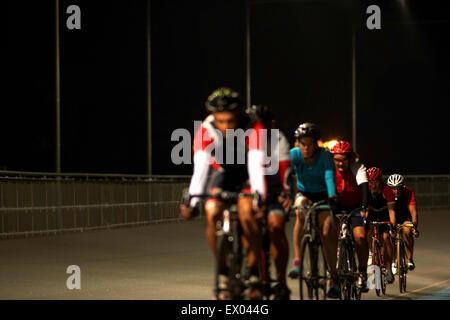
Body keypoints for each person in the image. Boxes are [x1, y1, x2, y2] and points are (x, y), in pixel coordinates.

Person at [180, 87, 267, 300]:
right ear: (213, 118)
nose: (226, 126)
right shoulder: (206, 129)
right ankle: (222, 269)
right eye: (221, 121)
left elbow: (256, 167)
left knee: (248, 213)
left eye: (230, 121)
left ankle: (255, 271)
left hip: (246, 173)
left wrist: (259, 198)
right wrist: (191, 201)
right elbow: (200, 171)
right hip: (222, 172)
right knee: (212, 211)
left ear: (238, 115)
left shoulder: (252, 127)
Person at [244, 105, 292, 299]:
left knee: (276, 227)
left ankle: (281, 282)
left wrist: (286, 193)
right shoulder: (242, 138)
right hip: (249, 191)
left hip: (274, 191)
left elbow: (285, 172)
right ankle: (257, 275)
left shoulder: (279, 138)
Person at [287, 122, 340, 299]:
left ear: (316, 143)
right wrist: (285, 195)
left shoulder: (325, 156)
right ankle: (297, 261)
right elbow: (286, 175)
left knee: (326, 233)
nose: (307, 147)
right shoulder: (294, 155)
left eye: (310, 143)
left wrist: (332, 197)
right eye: (303, 143)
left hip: (323, 194)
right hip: (305, 192)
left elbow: (329, 177)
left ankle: (333, 277)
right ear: (298, 143)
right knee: (300, 213)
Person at [330, 140, 370, 293]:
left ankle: (362, 272)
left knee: (360, 237)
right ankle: (332, 272)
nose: (340, 163)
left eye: (343, 160)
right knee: (328, 234)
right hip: (336, 207)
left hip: (355, 207)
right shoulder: (330, 169)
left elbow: (364, 187)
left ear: (350, 159)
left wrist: (364, 207)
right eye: (337, 160)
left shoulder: (357, 167)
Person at [366, 167, 396, 284]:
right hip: (372, 213)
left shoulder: (387, 190)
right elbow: (366, 210)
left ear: (381, 181)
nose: (373, 185)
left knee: (386, 238)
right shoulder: (367, 189)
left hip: (385, 214)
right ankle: (370, 252)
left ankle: (388, 269)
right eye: (371, 182)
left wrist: (392, 226)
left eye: (376, 182)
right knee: (367, 230)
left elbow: (392, 211)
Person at [387, 173, 419, 271]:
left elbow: (413, 212)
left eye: (398, 188)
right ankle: (393, 261)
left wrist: (414, 227)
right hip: (392, 216)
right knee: (391, 235)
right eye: (393, 188)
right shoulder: (386, 193)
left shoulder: (409, 192)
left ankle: (410, 259)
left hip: (405, 216)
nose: (395, 191)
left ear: (403, 187)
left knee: (407, 231)